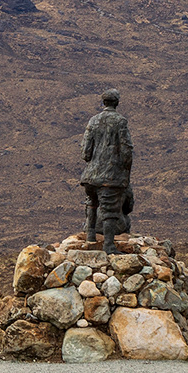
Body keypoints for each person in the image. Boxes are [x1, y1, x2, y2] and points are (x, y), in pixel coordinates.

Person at [81, 89, 133, 254]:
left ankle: (90, 236)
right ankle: (109, 245)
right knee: (110, 210)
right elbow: (126, 149)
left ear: (103, 102)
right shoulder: (120, 121)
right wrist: (125, 169)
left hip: (90, 176)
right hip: (110, 175)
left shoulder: (93, 121)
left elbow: (85, 152)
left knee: (92, 202)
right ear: (117, 102)